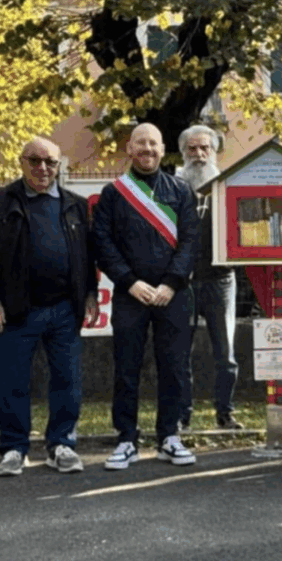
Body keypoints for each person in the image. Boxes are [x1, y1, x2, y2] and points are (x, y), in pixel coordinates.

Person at [0, 136, 98, 476]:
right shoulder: (1, 201)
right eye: (35, 161)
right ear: (21, 162)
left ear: (59, 165)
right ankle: (14, 448)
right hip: (16, 309)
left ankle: (62, 445)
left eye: (50, 162)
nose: (43, 168)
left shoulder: (75, 204)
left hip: (65, 309)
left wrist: (90, 294)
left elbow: (87, 255)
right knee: (12, 382)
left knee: (67, 380)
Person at [93, 123, 200, 470]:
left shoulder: (181, 190)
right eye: (141, 143)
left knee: (174, 366)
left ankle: (170, 436)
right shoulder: (113, 193)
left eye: (153, 143)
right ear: (129, 148)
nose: (147, 149)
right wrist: (129, 282)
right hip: (130, 294)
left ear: (163, 148)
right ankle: (126, 439)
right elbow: (102, 243)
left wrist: (171, 283)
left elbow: (190, 241)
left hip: (173, 294)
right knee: (126, 368)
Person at [177, 125, 242, 431]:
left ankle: (225, 414)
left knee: (226, 354)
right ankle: (182, 416)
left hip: (221, 280)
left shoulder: (228, 187)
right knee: (180, 354)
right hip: (183, 282)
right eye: (192, 148)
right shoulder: (172, 189)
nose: (199, 154)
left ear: (215, 152)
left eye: (205, 148)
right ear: (182, 153)